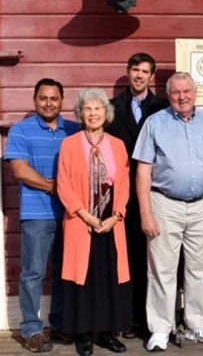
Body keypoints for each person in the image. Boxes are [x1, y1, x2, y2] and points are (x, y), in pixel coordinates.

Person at [133, 72, 203, 351]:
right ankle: (160, 328)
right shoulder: (154, 123)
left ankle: (198, 324)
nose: (182, 97)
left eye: (187, 91)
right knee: (161, 269)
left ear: (195, 93)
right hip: (164, 203)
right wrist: (146, 213)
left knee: (201, 268)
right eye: (176, 93)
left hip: (202, 205)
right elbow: (143, 171)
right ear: (168, 95)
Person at [5, 78, 80, 352]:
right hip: (37, 215)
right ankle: (31, 330)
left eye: (54, 98)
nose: (49, 103)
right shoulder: (21, 131)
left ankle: (59, 324)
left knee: (64, 273)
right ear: (34, 100)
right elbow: (20, 170)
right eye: (43, 98)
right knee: (33, 273)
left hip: (72, 215)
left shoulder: (74, 130)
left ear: (62, 101)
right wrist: (54, 187)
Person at [57, 88, 132, 355]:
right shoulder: (69, 144)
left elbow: (123, 184)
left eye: (98, 108)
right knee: (83, 277)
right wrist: (85, 214)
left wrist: (116, 215)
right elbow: (63, 184)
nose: (93, 113)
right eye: (87, 109)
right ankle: (83, 334)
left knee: (109, 275)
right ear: (80, 113)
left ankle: (107, 333)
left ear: (106, 113)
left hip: (111, 221)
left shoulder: (118, 145)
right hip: (81, 220)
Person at [106, 52, 168, 339]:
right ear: (128, 72)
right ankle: (130, 319)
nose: (140, 75)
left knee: (158, 258)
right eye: (135, 70)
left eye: (145, 71)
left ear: (152, 76)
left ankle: (156, 320)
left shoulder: (163, 107)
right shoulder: (110, 108)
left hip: (158, 192)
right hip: (121, 192)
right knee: (129, 256)